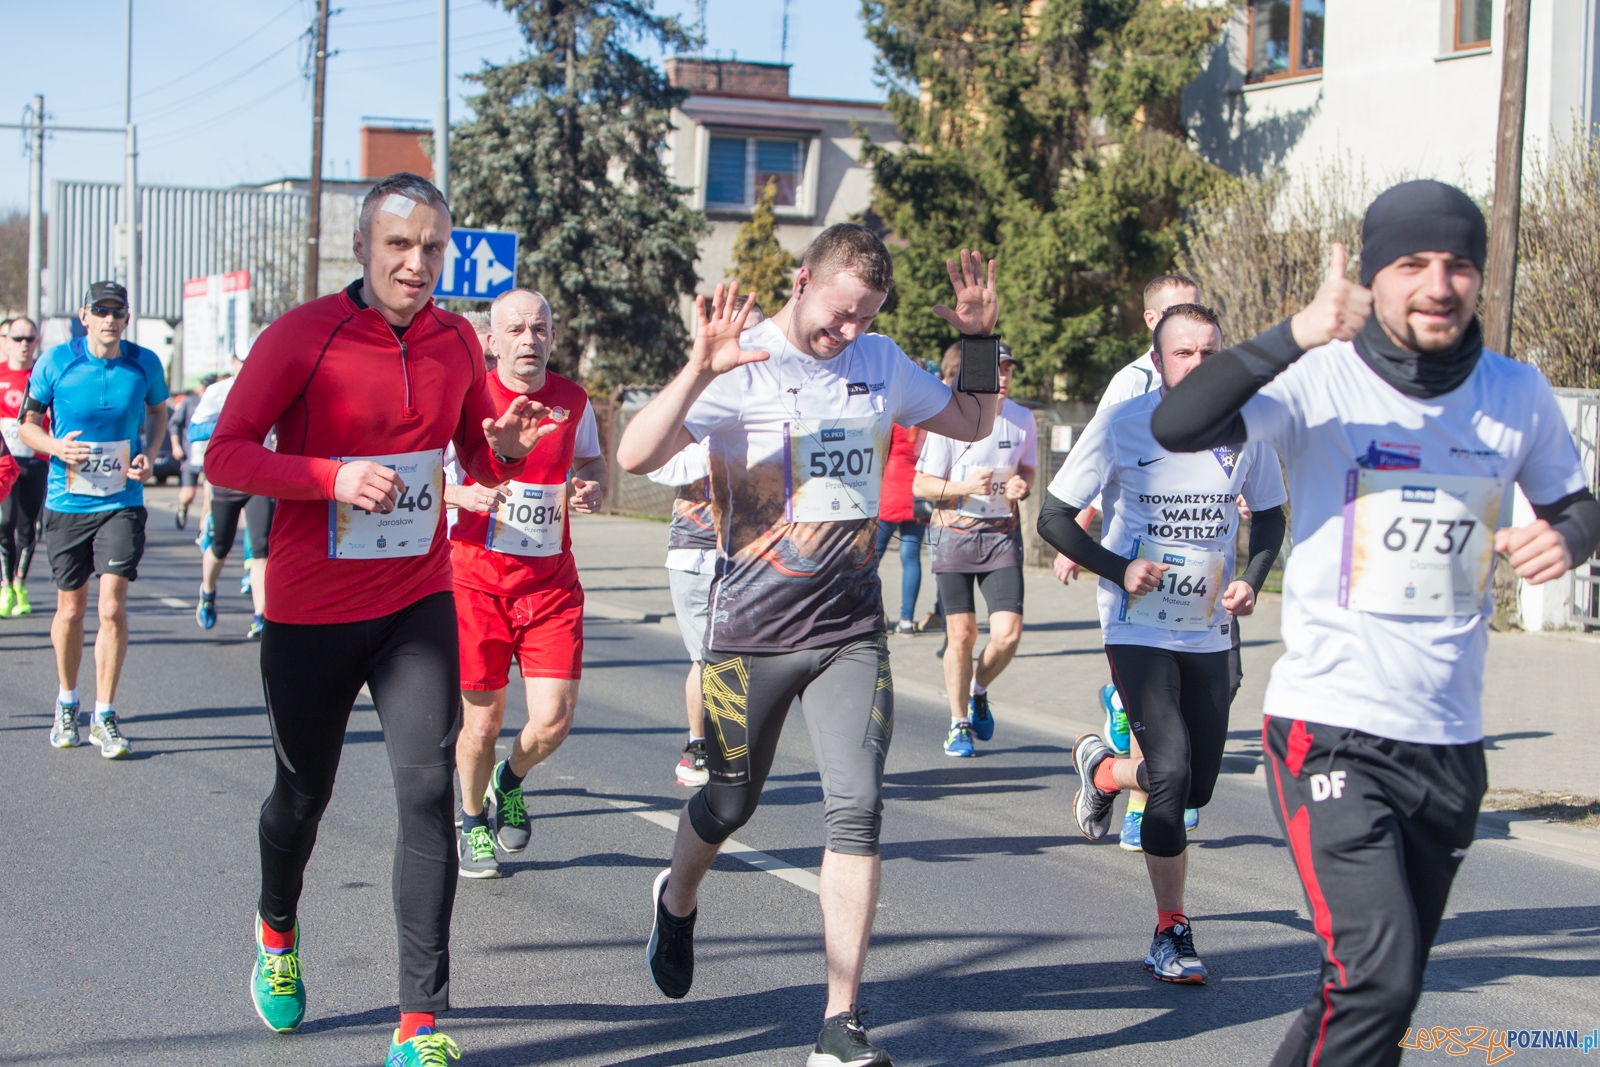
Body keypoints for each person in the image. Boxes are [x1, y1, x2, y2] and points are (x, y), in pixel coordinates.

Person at [1149, 181, 1600, 1065]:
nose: (1440, 283)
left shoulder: (1516, 393)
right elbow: (1177, 422)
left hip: (1450, 741)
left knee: (1367, 994)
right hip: (1332, 730)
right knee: (1377, 978)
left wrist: (1567, 541)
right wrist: (1293, 335)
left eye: (1460, 264)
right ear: (1374, 278)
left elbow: (1579, 505)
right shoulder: (1319, 377)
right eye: (1412, 264)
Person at [617, 224, 1002, 1067]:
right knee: (729, 802)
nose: (849, 333)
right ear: (802, 280)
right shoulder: (742, 362)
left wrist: (979, 341)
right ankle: (676, 899)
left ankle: (840, 1020)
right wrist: (696, 369)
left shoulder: (883, 363)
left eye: (865, 317)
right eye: (839, 313)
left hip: (848, 632)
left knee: (858, 808)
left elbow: (974, 420)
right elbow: (634, 452)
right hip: (742, 638)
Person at [205, 172, 555, 1064]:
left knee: (430, 791)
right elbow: (226, 455)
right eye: (400, 244)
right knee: (303, 795)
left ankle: (420, 1022)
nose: (418, 261)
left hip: (414, 598)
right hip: (312, 608)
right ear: (361, 248)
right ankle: (277, 932)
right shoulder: (302, 337)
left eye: (433, 246)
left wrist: (504, 448)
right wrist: (329, 476)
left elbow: (476, 449)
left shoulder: (449, 343)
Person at [1039, 301, 1287, 984]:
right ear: (1159, 360)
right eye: (1186, 353)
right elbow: (1054, 518)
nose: (1201, 365)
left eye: (1212, 352)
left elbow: (1268, 517)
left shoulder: (1247, 428)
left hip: (1207, 627)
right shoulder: (1124, 424)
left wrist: (1254, 581)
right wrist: (1119, 568)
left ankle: (1102, 768)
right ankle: (1170, 928)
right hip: (1137, 622)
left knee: (1196, 782)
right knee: (1172, 770)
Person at [451, 287, 607, 880]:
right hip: (477, 580)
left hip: (550, 583)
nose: (529, 341)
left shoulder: (572, 399)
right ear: (491, 341)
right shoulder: (469, 399)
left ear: (553, 336)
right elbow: (419, 470)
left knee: (553, 721)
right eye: (515, 330)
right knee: (482, 723)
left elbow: (589, 463)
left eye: (539, 329)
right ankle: (472, 821)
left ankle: (507, 780)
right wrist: (460, 493)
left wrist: (589, 486)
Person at [18, 281, 169, 759]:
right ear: (85, 315)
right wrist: (56, 447)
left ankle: (104, 713)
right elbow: (27, 423)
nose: (110, 320)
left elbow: (159, 409)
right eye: (101, 311)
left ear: (128, 317)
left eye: (118, 312)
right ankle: (67, 700)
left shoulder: (144, 363)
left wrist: (150, 453)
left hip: (122, 499)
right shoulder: (57, 361)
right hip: (68, 503)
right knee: (70, 610)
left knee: (110, 607)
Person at [913, 341, 1036, 757]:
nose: (1002, 378)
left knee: (1008, 634)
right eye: (996, 370)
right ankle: (958, 723)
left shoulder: (1022, 419)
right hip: (954, 538)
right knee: (961, 635)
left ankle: (977, 688)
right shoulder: (952, 419)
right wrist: (966, 487)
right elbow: (921, 484)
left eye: (1008, 370)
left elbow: (1029, 470)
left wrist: (1022, 485)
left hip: (1001, 537)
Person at [648, 439, 717, 787]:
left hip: (746, 553)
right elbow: (652, 464)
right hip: (697, 553)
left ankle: (704, 748)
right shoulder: (696, 424)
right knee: (706, 657)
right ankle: (700, 747)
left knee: (716, 658)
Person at [192, 353, 272, 638]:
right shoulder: (218, 392)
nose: (249, 364)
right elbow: (193, 430)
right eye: (243, 359)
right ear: (232, 361)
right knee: (221, 546)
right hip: (226, 479)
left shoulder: (271, 385)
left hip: (260, 478)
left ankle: (260, 616)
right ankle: (208, 590)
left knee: (262, 549)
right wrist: (228, 427)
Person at [0, 315, 46, 616]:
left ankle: (20, 583)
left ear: (37, 342)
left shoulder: (43, 377)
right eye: (17, 338)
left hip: (36, 461)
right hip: (4, 463)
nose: (24, 345)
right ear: (6, 341)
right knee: (4, 523)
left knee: (28, 527)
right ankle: (5, 586)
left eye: (29, 339)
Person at [875, 416, 926, 635]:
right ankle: (906, 620)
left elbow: (881, 453)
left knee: (873, 555)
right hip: (917, 493)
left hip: (891, 491)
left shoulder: (896, 421)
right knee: (911, 557)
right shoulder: (930, 426)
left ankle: (874, 613)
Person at [169, 379, 206, 529]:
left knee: (210, 497)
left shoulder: (220, 401)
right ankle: (182, 508)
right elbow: (174, 424)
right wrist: (176, 445)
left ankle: (204, 531)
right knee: (188, 494)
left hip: (210, 456)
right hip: (191, 456)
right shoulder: (190, 402)